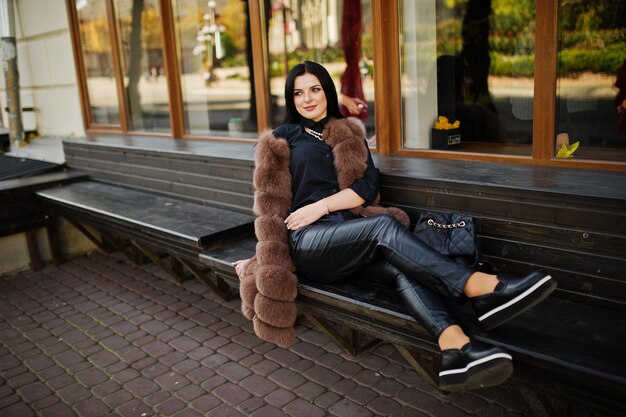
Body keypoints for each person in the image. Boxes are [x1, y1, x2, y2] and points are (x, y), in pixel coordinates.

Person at [233, 61, 556, 392]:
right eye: (298, 93)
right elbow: (270, 213)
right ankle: (479, 287)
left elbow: (368, 186)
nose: (307, 99)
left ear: (328, 92)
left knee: (403, 269)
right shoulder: (281, 140)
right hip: (308, 243)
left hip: (352, 239)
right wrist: (259, 260)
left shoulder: (349, 135)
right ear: (291, 98)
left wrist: (325, 205)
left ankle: (456, 349)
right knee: (383, 226)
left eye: (315, 89)